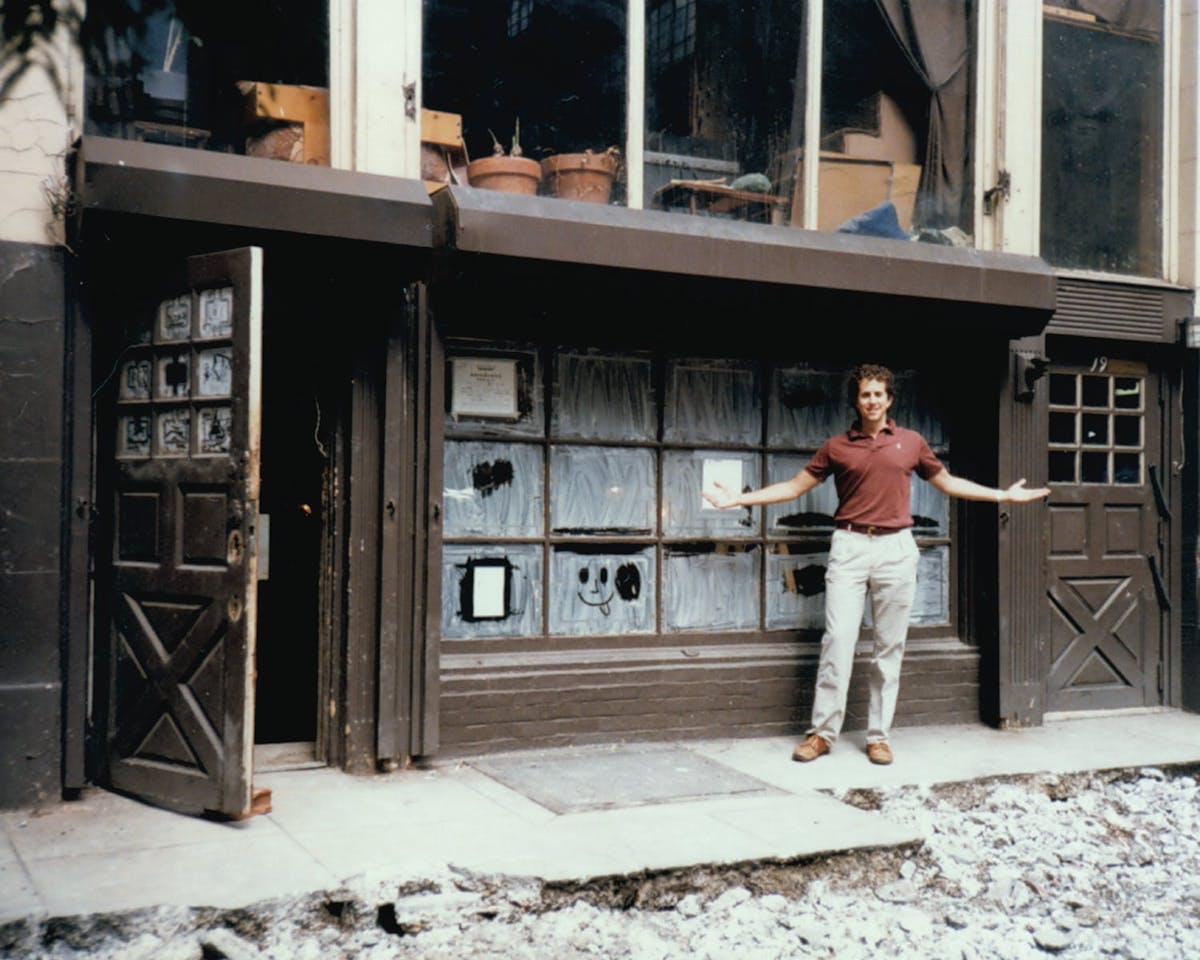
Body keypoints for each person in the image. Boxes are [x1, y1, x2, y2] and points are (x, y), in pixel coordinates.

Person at [702, 363, 1049, 766]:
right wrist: (737, 500)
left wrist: (1003, 495)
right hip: (849, 547)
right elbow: (793, 487)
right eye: (865, 394)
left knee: (890, 647)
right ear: (856, 400)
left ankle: (879, 736)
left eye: (879, 394)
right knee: (838, 641)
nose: (872, 401)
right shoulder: (836, 447)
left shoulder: (911, 442)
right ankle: (821, 733)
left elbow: (949, 484)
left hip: (896, 549)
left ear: (889, 399)